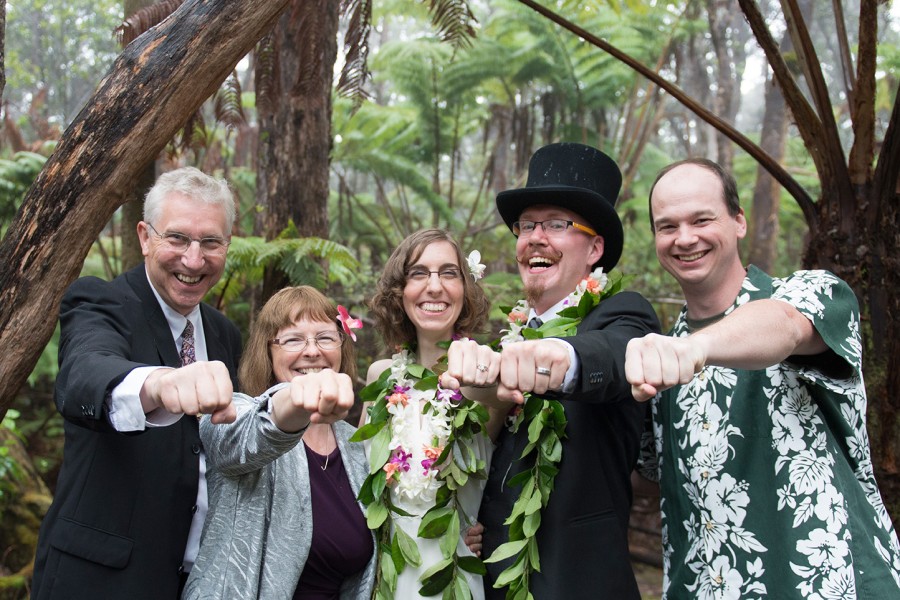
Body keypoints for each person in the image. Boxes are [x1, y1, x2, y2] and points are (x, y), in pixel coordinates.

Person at [627, 158, 900, 598]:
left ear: (739, 221)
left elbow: (785, 325)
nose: (685, 238)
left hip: (832, 584)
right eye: (667, 226)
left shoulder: (810, 294)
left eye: (702, 219)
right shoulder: (660, 358)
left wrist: (694, 349)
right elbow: (651, 477)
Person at [444, 142, 661, 599]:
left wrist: (559, 358)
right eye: (526, 226)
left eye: (557, 225)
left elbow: (614, 354)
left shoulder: (622, 316)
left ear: (595, 247)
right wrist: (472, 523)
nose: (534, 238)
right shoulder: (510, 341)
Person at [31, 167, 242, 599]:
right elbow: (84, 373)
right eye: (178, 238)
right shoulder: (101, 301)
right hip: (100, 581)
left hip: (196, 581)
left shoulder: (224, 334)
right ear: (145, 237)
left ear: (227, 246)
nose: (194, 260)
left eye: (211, 242)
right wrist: (159, 385)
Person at [182, 286, 375, 599]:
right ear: (267, 352)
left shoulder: (357, 446)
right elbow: (245, 439)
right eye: (293, 339)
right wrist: (295, 406)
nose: (312, 351)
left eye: (325, 337)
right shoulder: (232, 414)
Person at [365, 228, 501, 598]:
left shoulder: (492, 380)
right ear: (400, 291)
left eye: (448, 273)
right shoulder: (379, 379)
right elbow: (360, 488)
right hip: (385, 580)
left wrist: (489, 528)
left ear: (465, 289)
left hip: (455, 578)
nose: (435, 287)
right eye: (419, 273)